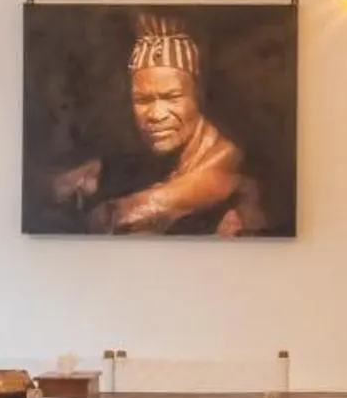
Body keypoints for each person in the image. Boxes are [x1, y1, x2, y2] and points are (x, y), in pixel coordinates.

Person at [47, 15, 267, 234]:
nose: (155, 114)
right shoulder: (144, 162)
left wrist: (115, 212)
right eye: (143, 100)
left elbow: (126, 214)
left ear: (198, 96)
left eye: (172, 97)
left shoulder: (227, 163)